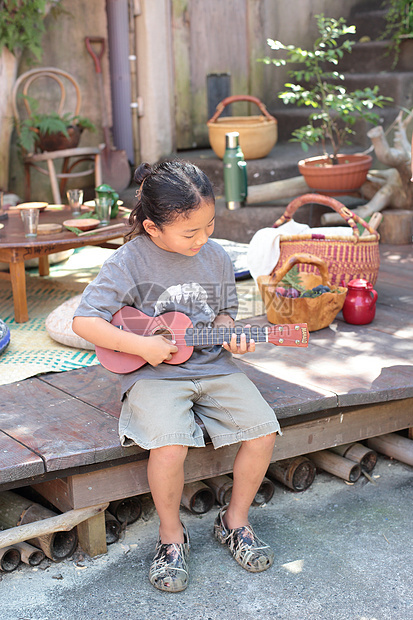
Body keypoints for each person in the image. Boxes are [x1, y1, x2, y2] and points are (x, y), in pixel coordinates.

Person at [72, 160, 281, 593]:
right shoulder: (127, 262)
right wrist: (144, 346)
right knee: (169, 445)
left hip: (212, 364)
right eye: (191, 233)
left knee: (263, 431)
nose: (203, 239)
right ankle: (172, 535)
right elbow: (84, 321)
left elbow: (224, 315)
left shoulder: (217, 256)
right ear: (152, 228)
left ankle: (234, 521)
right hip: (153, 374)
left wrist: (231, 335)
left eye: (209, 226)